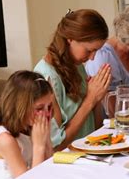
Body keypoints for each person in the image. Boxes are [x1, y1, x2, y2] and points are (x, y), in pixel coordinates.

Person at [34, 9, 111, 151]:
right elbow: (56, 146)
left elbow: (95, 128)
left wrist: (97, 98)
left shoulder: (76, 66)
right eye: (89, 50)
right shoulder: (46, 77)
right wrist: (90, 100)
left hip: (88, 152)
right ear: (70, 39)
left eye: (96, 51)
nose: (92, 58)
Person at [0, 71, 54, 179]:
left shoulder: (29, 127)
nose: (47, 114)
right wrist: (39, 146)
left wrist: (46, 138)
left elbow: (48, 168)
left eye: (49, 107)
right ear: (20, 107)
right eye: (39, 108)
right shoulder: (5, 140)